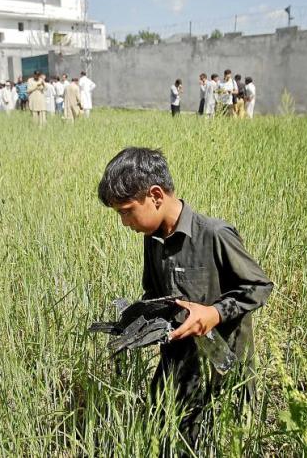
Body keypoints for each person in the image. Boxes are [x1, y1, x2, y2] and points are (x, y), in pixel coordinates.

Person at [97, 147, 273, 449]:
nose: (124, 222)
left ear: (155, 195)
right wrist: (136, 324)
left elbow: (259, 285)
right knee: (164, 436)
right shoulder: (153, 239)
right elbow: (155, 294)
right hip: (177, 365)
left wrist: (214, 314)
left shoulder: (214, 234)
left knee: (219, 440)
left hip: (222, 367)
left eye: (126, 211)